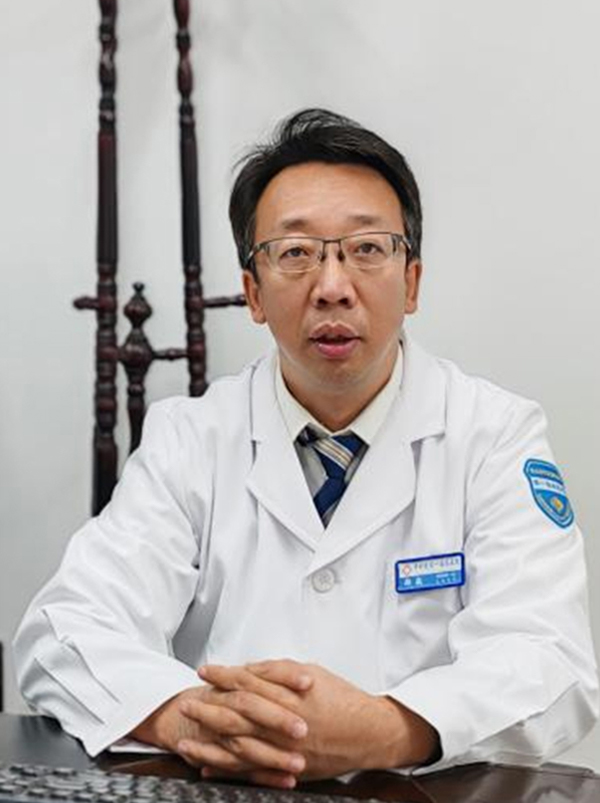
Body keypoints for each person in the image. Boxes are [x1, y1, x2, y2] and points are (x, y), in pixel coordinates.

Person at [14, 109, 598, 789]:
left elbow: (548, 659)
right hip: (230, 789)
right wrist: (192, 719)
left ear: (411, 281)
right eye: (295, 253)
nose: (332, 287)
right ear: (254, 293)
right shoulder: (190, 438)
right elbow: (66, 628)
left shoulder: (493, 435)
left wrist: (383, 728)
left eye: (367, 248)